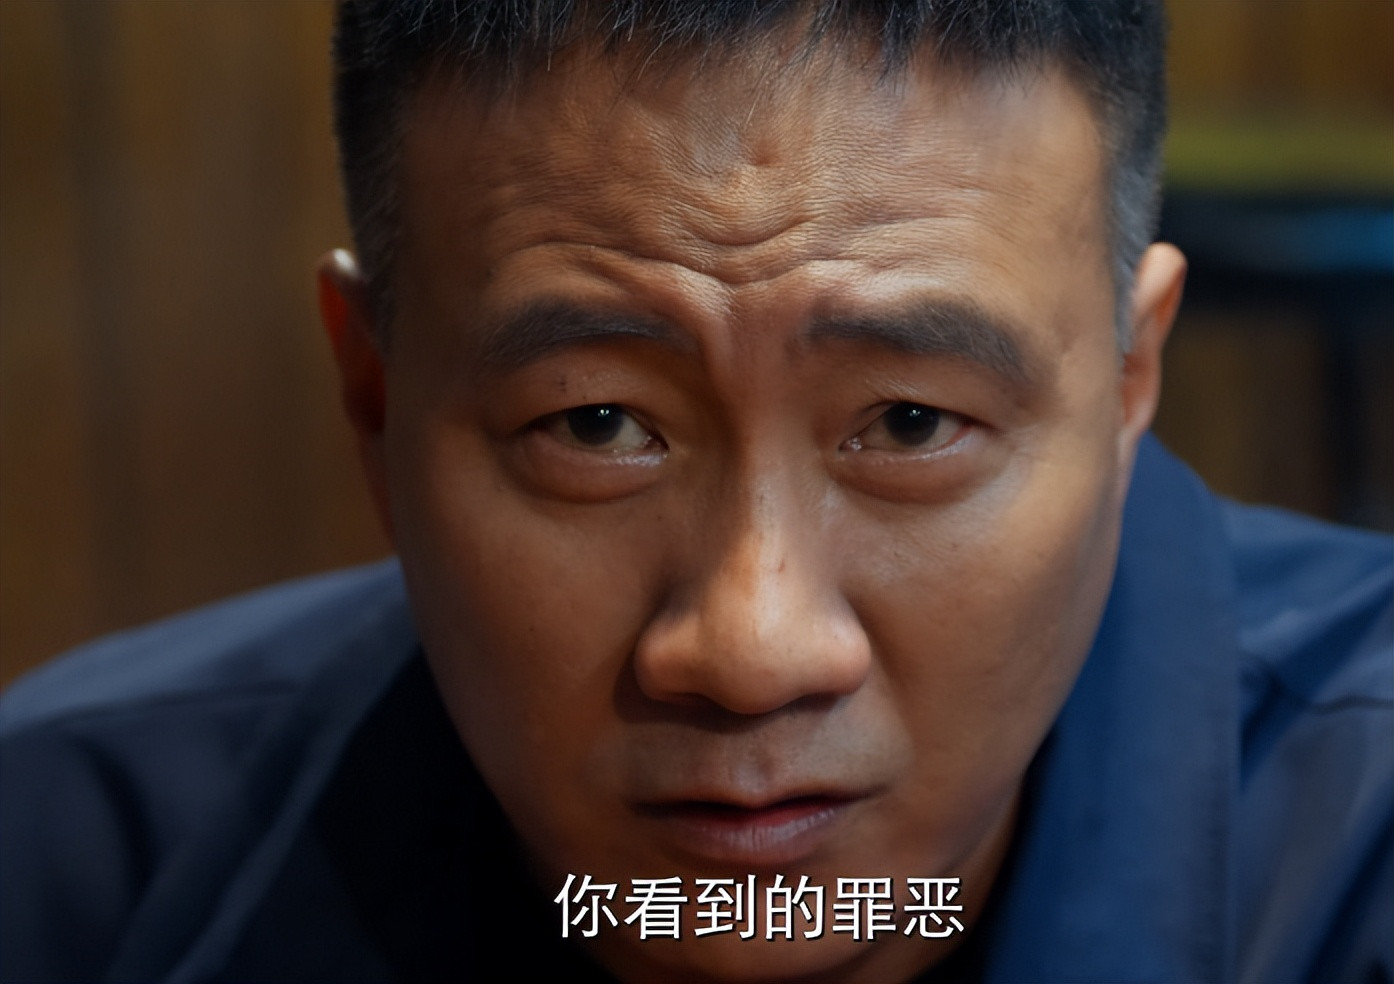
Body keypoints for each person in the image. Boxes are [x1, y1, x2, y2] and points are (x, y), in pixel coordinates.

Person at [2, 1, 1390, 981]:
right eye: (596, 424)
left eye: (910, 423)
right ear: (373, 395)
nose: (751, 650)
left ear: (1130, 376)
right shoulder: (74, 867)